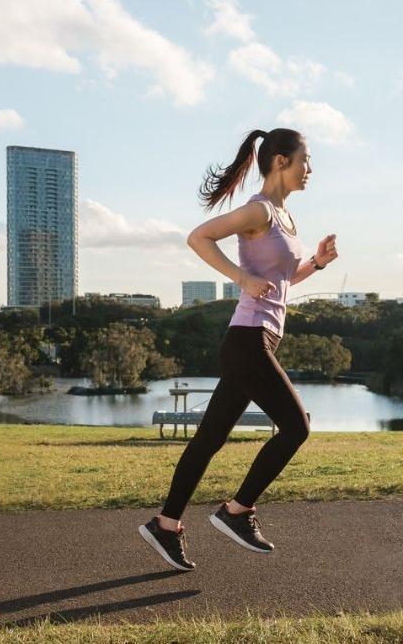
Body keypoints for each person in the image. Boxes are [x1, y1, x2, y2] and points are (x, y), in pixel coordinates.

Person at [139, 128, 338, 571]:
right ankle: (237, 510)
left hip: (259, 339)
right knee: (296, 427)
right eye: (306, 160)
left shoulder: (284, 217)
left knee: (209, 440)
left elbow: (283, 283)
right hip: (247, 340)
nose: (311, 170)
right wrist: (240, 279)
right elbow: (198, 237)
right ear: (281, 162)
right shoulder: (258, 211)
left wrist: (317, 264)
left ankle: (165, 525)